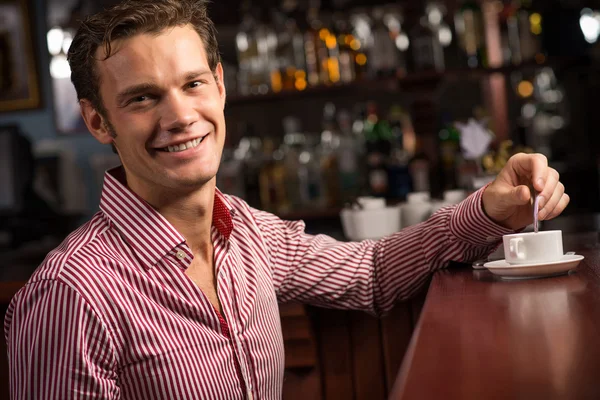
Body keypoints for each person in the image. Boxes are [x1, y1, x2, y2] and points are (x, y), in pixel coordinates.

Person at [4, 0, 569, 399]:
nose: (179, 117)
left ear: (220, 86)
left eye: (193, 84)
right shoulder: (70, 298)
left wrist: (490, 209)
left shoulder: (247, 231)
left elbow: (370, 273)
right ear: (98, 120)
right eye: (143, 98)